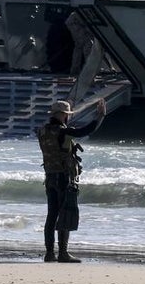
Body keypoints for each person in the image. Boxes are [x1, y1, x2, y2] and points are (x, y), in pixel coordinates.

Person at [36, 98, 107, 263]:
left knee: (51, 215)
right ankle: (63, 253)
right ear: (62, 115)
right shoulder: (63, 131)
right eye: (66, 115)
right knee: (64, 214)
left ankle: (49, 253)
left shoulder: (41, 131)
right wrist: (100, 116)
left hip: (49, 176)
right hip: (63, 177)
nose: (67, 117)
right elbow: (85, 131)